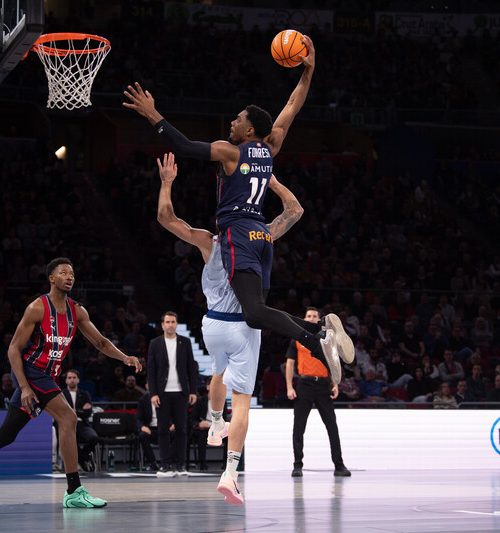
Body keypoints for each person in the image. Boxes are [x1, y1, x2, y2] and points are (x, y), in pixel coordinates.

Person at [124, 39, 353, 379]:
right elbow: (292, 105)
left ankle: (316, 340)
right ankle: (319, 334)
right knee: (257, 310)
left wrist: (153, 116)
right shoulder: (271, 146)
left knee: (255, 315)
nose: (231, 122)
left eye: (237, 119)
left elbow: (185, 147)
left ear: (248, 130)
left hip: (239, 233)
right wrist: (308, 70)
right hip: (262, 235)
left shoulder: (230, 152)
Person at [156, 152, 318, 503]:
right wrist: (270, 182)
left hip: (212, 325)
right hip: (244, 327)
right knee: (242, 402)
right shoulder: (262, 235)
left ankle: (215, 422)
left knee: (217, 373)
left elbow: (166, 219)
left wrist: (167, 184)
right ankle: (230, 472)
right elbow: (295, 211)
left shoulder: (208, 241)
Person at [0, 257, 142, 509]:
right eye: (63, 273)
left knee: (5, 435)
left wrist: (125, 357)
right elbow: (13, 349)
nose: (69, 277)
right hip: (31, 372)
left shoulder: (78, 311)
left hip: (48, 377)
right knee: (68, 418)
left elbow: (101, 343)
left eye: (72, 273)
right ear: (51, 279)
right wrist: (24, 387)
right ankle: (74, 490)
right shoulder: (37, 308)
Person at [285, 307, 352, 478]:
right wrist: (289, 387)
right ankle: (297, 465)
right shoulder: (297, 339)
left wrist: (334, 383)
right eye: (309, 316)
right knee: (299, 427)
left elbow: (334, 361)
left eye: (315, 316)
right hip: (304, 384)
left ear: (319, 319)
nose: (312, 318)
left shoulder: (326, 339)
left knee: (332, 426)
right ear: (304, 318)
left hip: (323, 385)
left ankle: (339, 464)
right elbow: (290, 363)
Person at [147, 311, 198, 477]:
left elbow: (192, 368)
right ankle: (165, 464)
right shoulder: (155, 343)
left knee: (182, 429)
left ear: (177, 324)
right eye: (167, 322)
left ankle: (181, 464)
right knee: (163, 430)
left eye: (173, 322)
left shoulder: (186, 342)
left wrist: (193, 391)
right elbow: (151, 370)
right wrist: (153, 393)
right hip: (162, 393)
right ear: (162, 324)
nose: (170, 325)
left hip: (181, 392)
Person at [60, 369, 99, 471]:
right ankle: (83, 461)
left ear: (78, 380)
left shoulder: (84, 394)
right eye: (69, 378)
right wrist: (80, 410)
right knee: (72, 443)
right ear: (66, 381)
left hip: (82, 423)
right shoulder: (61, 395)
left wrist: (74, 410)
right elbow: (62, 411)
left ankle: (82, 456)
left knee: (93, 438)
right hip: (67, 424)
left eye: (74, 377)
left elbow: (88, 412)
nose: (72, 380)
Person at [189, 375, 228, 472]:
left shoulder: (223, 402)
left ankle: (226, 464)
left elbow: (225, 418)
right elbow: (192, 419)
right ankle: (202, 464)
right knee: (202, 436)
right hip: (204, 429)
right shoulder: (200, 401)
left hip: (218, 429)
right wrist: (199, 424)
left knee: (228, 436)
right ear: (207, 387)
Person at [136, 381, 173, 472]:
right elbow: (138, 419)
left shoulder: (166, 398)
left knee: (177, 433)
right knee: (143, 435)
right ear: (146, 386)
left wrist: (174, 424)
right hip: (151, 428)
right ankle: (153, 463)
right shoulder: (143, 400)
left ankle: (170, 463)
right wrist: (142, 427)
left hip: (165, 427)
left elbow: (174, 415)